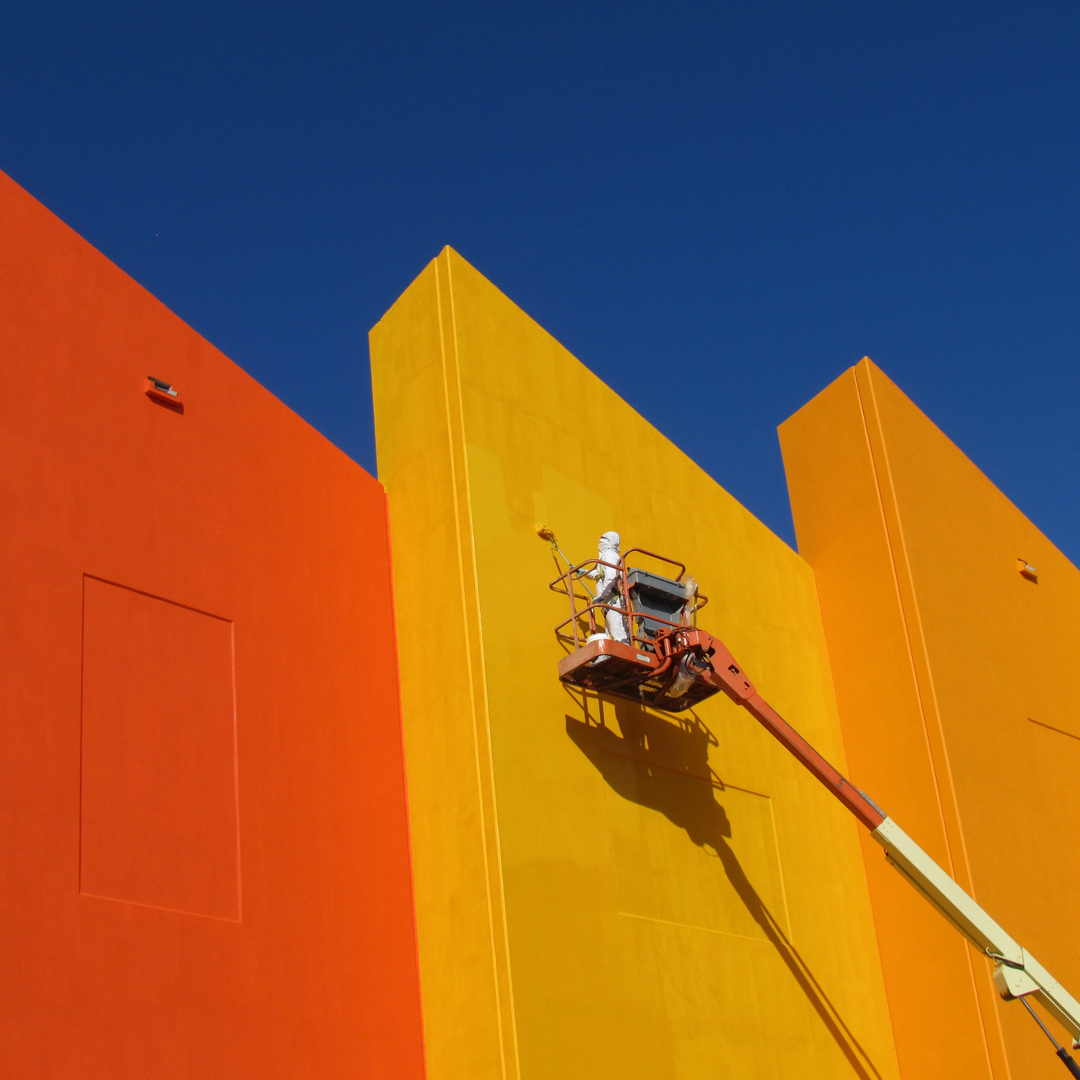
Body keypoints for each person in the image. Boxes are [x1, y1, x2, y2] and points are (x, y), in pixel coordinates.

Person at [586, 530, 629, 643]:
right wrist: (584, 572)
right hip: (608, 603)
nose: (601, 542)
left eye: (603, 539)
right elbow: (600, 574)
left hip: (613, 601)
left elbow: (611, 576)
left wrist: (601, 595)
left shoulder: (610, 554)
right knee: (611, 634)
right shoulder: (605, 556)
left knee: (618, 633)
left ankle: (623, 653)